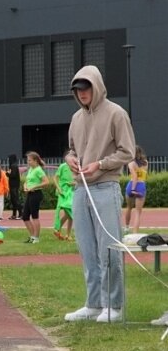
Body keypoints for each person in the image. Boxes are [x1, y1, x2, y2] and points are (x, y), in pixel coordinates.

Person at [63, 65, 136, 323]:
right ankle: (94, 304)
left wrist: (101, 164)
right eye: (77, 89)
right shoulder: (75, 119)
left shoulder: (116, 114)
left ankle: (114, 305)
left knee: (109, 249)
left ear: (96, 86)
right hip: (80, 189)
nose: (82, 93)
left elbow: (128, 152)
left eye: (85, 88)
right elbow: (71, 149)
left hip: (106, 186)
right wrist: (70, 159)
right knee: (87, 249)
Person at [21, 151, 49, 244]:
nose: (28, 162)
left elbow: (46, 182)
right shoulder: (31, 169)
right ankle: (32, 236)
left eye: (30, 160)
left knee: (34, 216)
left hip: (36, 194)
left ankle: (36, 237)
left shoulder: (38, 170)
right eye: (27, 160)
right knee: (25, 216)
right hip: (29, 194)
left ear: (35, 161)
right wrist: (25, 186)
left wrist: (34, 187)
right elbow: (27, 181)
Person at [123, 145, 148, 234]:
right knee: (138, 212)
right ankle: (135, 233)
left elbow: (134, 176)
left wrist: (133, 189)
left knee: (129, 207)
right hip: (141, 185)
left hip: (131, 185)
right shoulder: (145, 163)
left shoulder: (131, 163)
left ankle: (126, 227)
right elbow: (141, 176)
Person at [52, 153, 75, 241]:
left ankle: (61, 231)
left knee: (69, 213)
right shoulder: (62, 166)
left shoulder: (76, 166)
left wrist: (74, 183)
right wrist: (58, 188)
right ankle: (60, 231)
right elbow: (55, 178)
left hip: (71, 192)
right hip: (63, 192)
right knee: (69, 212)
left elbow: (79, 179)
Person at [6, 154, 22, 220]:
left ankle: (21, 213)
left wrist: (7, 174)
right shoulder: (14, 166)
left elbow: (13, 175)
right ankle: (14, 214)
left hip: (14, 186)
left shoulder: (13, 166)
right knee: (13, 200)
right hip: (14, 185)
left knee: (15, 200)